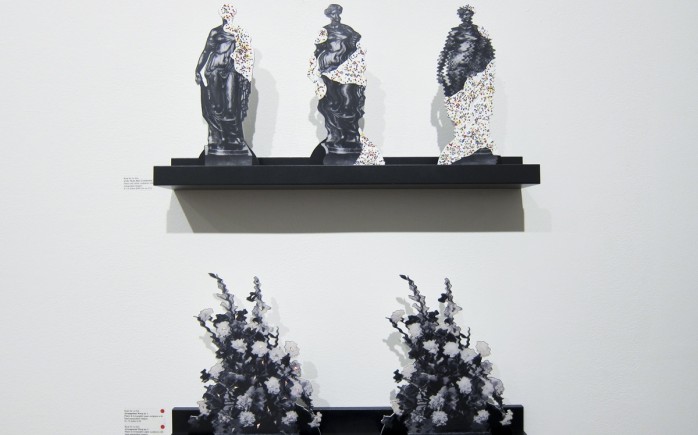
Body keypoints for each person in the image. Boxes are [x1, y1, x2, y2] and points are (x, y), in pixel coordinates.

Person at [195, 4, 253, 158]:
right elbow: (206, 51)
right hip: (214, 69)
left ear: (233, 14)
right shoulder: (215, 32)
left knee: (231, 105)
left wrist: (246, 74)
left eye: (229, 13)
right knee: (216, 105)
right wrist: (198, 69)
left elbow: (247, 55)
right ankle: (219, 137)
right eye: (224, 13)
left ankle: (233, 138)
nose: (227, 15)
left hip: (231, 71)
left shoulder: (239, 32)